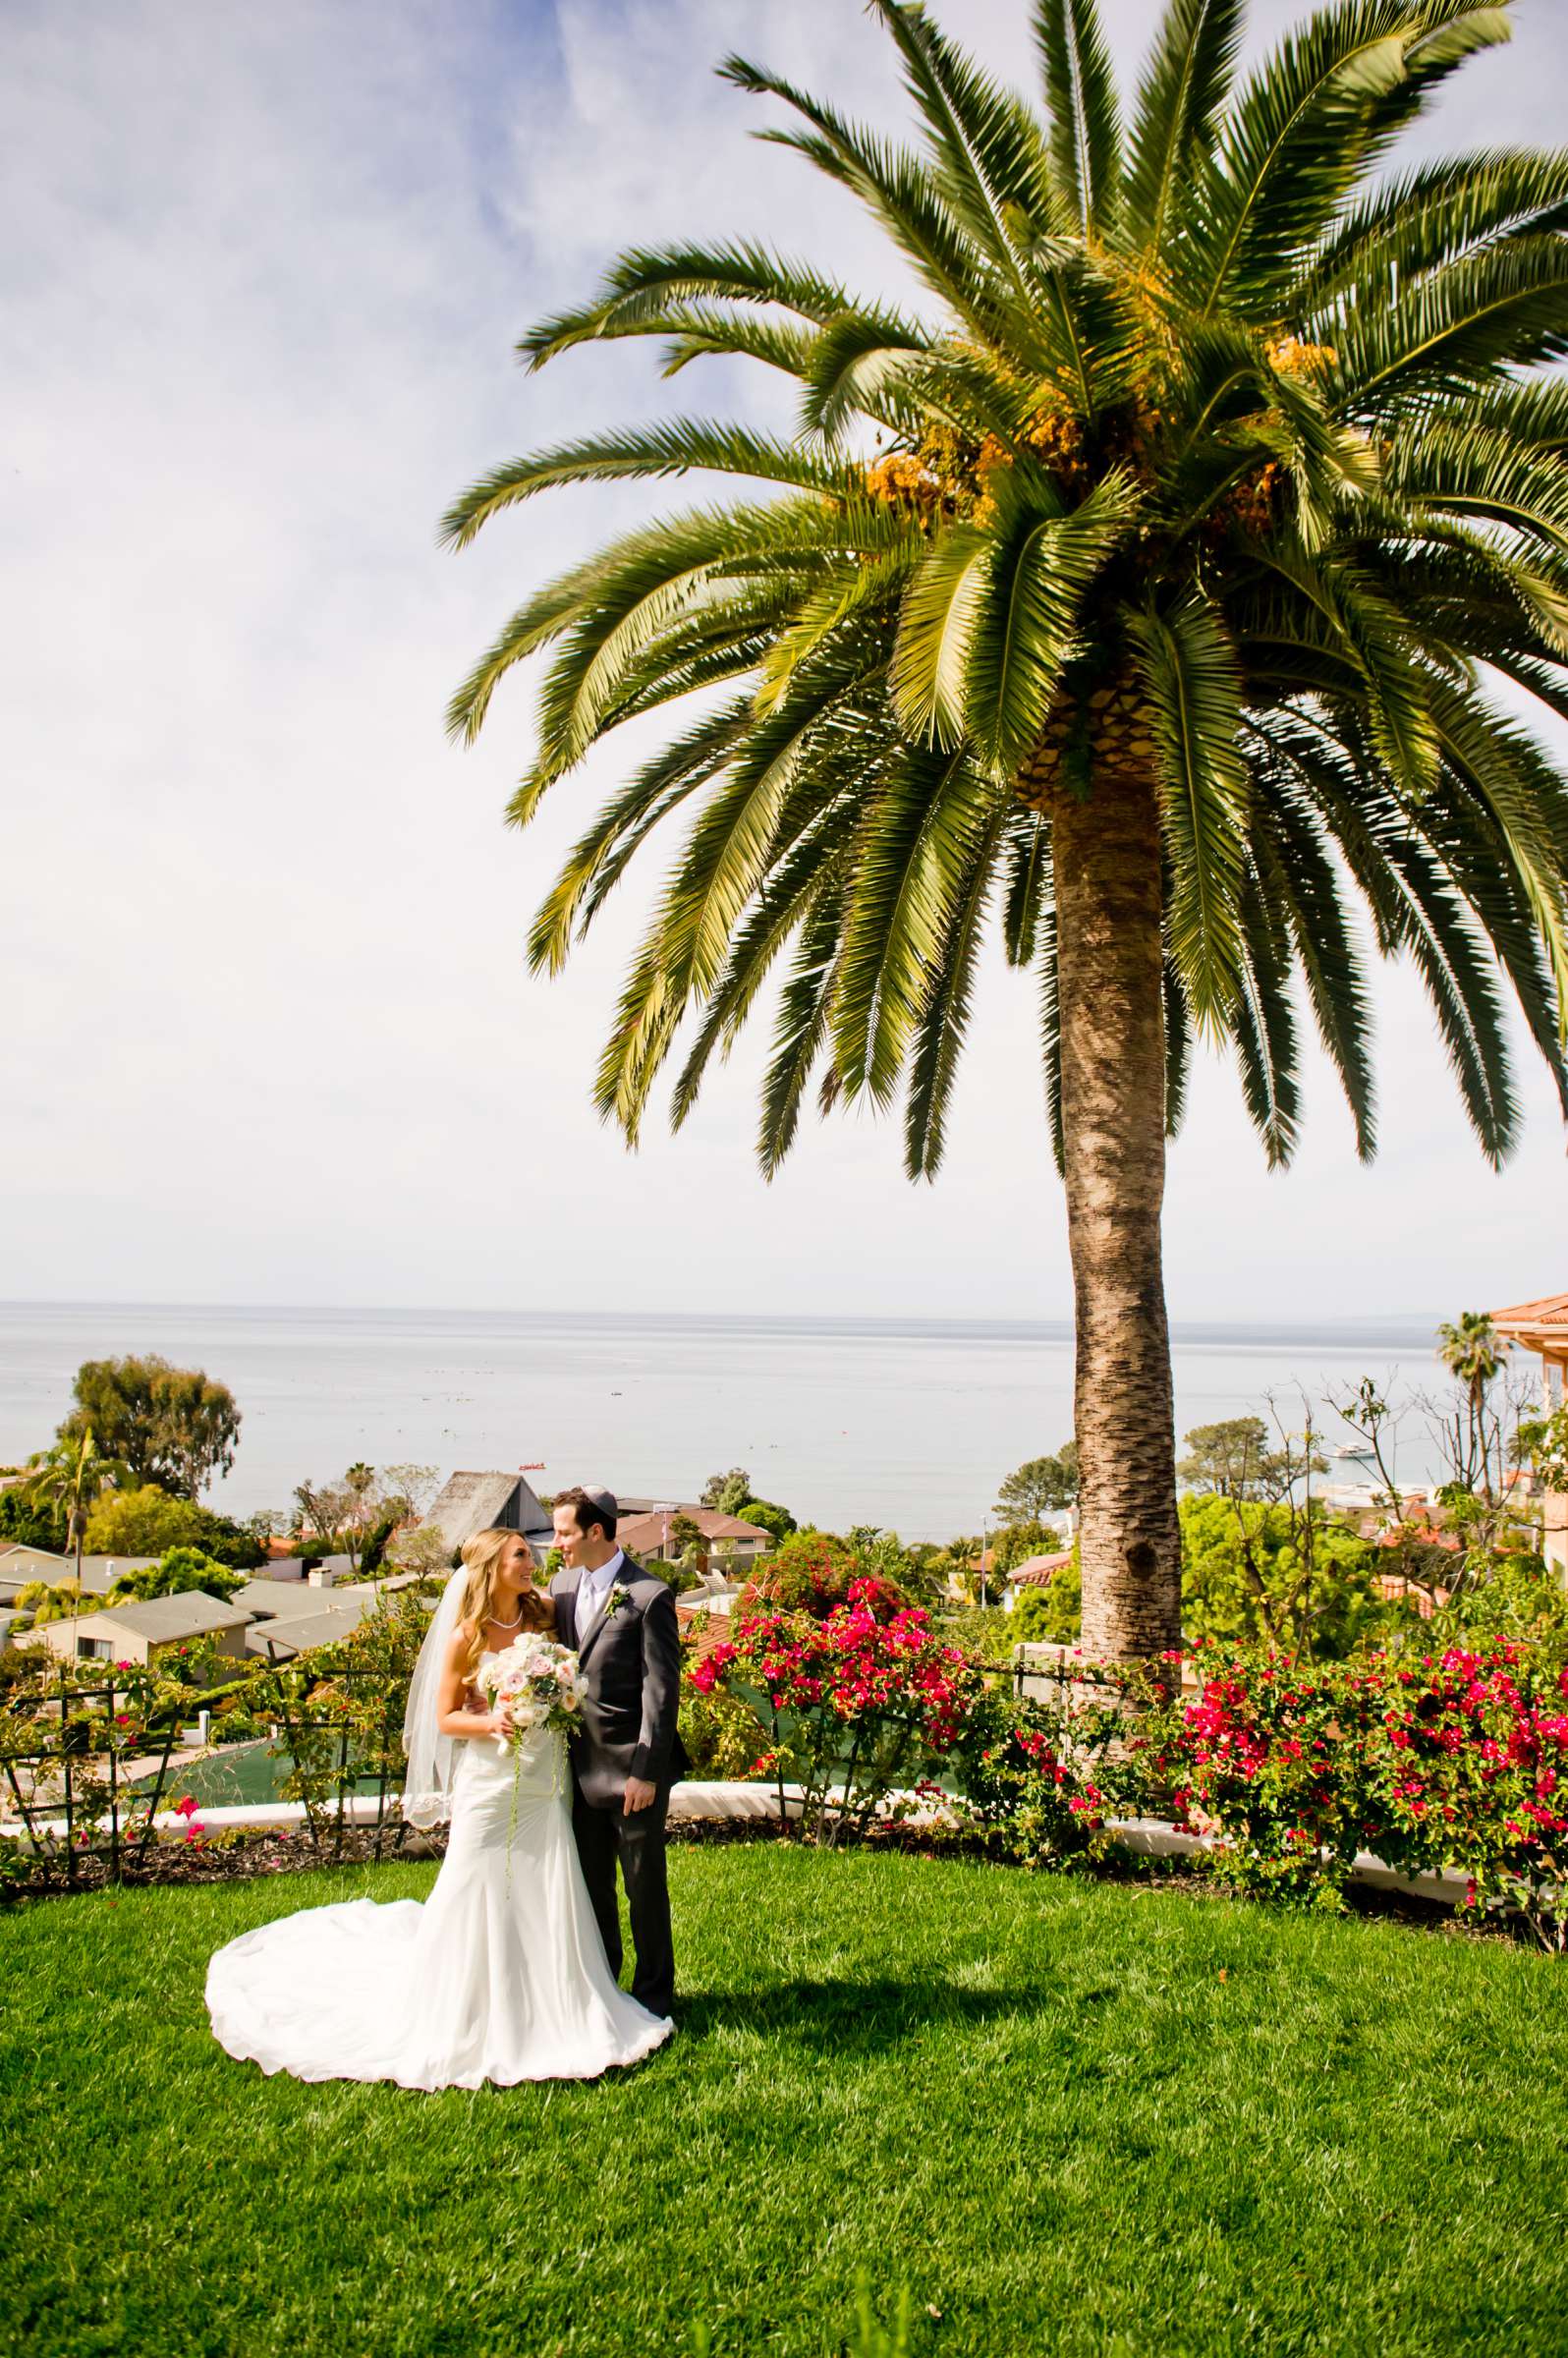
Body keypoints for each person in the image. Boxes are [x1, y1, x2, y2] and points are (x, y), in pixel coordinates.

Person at [204, 1526, 670, 2089]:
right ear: (492, 1567)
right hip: (491, 1779)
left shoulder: (544, 1614)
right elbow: (447, 1716)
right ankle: (466, 2006)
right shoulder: (466, 1636)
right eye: (522, 1555)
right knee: (474, 1878)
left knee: (550, 1877)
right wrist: (491, 1719)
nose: (533, 1563)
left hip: (547, 1778)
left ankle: (557, 1996)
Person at [549, 1485, 690, 2019]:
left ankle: (654, 1996)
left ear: (596, 1532)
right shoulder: (561, 1585)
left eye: (564, 1532)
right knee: (593, 1891)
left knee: (643, 1889)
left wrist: (645, 1772)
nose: (556, 1542)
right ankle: (605, 1988)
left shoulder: (649, 1594)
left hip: (633, 1771)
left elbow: (661, 1692)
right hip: (578, 1769)